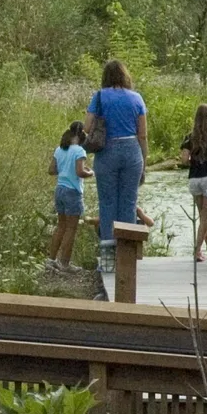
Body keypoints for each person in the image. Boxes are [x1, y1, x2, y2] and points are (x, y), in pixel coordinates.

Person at [85, 60, 148, 253]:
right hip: (132, 150)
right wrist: (143, 161)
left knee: (107, 201)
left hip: (107, 150)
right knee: (129, 201)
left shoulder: (100, 97)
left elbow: (87, 127)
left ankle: (107, 252)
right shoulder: (137, 98)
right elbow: (143, 134)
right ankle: (126, 251)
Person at [47, 122, 92, 270]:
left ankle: (51, 260)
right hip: (73, 191)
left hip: (59, 189)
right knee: (71, 229)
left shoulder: (60, 149)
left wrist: (65, 169)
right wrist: (90, 172)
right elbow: (80, 172)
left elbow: (52, 170)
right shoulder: (79, 151)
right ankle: (64, 263)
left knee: (60, 226)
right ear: (80, 137)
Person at [180, 103, 207, 261]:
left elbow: (184, 160)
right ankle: (197, 251)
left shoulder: (190, 137)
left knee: (203, 217)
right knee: (206, 217)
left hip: (194, 180)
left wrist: (193, 162)